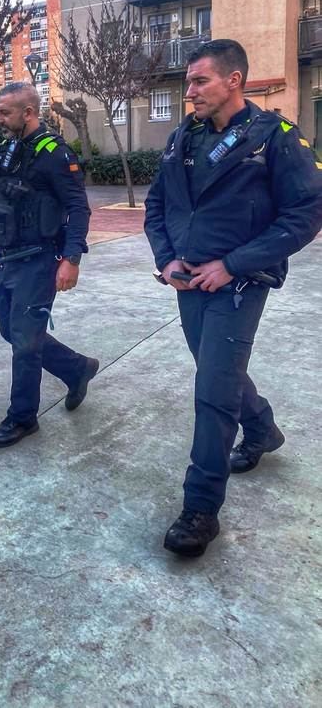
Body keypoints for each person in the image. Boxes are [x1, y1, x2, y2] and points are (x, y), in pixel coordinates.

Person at [145, 39, 322, 557]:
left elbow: (306, 214)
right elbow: (158, 203)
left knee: (213, 389)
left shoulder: (276, 138)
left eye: (200, 81)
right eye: (189, 83)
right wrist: (167, 258)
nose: (190, 92)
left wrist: (233, 264)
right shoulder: (185, 137)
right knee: (216, 366)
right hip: (189, 281)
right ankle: (263, 428)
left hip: (240, 284)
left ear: (234, 81)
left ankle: (200, 509)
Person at [0, 82, 98, 448]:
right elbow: (0, 200)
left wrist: (72, 259)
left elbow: (78, 208)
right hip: (8, 259)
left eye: (5, 112)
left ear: (28, 113)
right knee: (12, 331)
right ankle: (76, 368)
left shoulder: (55, 153)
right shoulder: (9, 150)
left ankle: (23, 417)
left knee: (24, 343)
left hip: (40, 260)